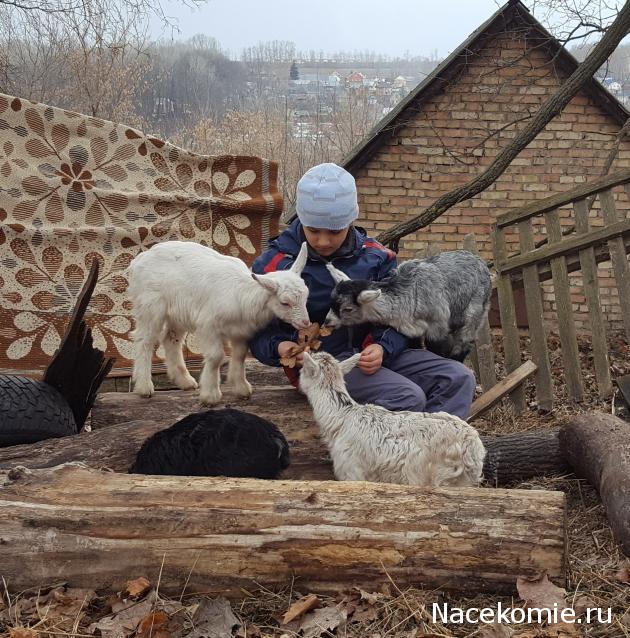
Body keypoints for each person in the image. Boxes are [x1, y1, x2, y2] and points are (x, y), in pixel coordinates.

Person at [248, 163, 475, 419]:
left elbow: (402, 316)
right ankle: (393, 456)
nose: (323, 241)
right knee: (407, 396)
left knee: (458, 378)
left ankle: (438, 453)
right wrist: (281, 347)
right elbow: (256, 332)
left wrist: (382, 347)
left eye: (334, 231)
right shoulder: (274, 265)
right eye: (313, 231)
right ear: (301, 218)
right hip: (322, 366)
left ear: (350, 219)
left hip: (374, 356)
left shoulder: (377, 257)